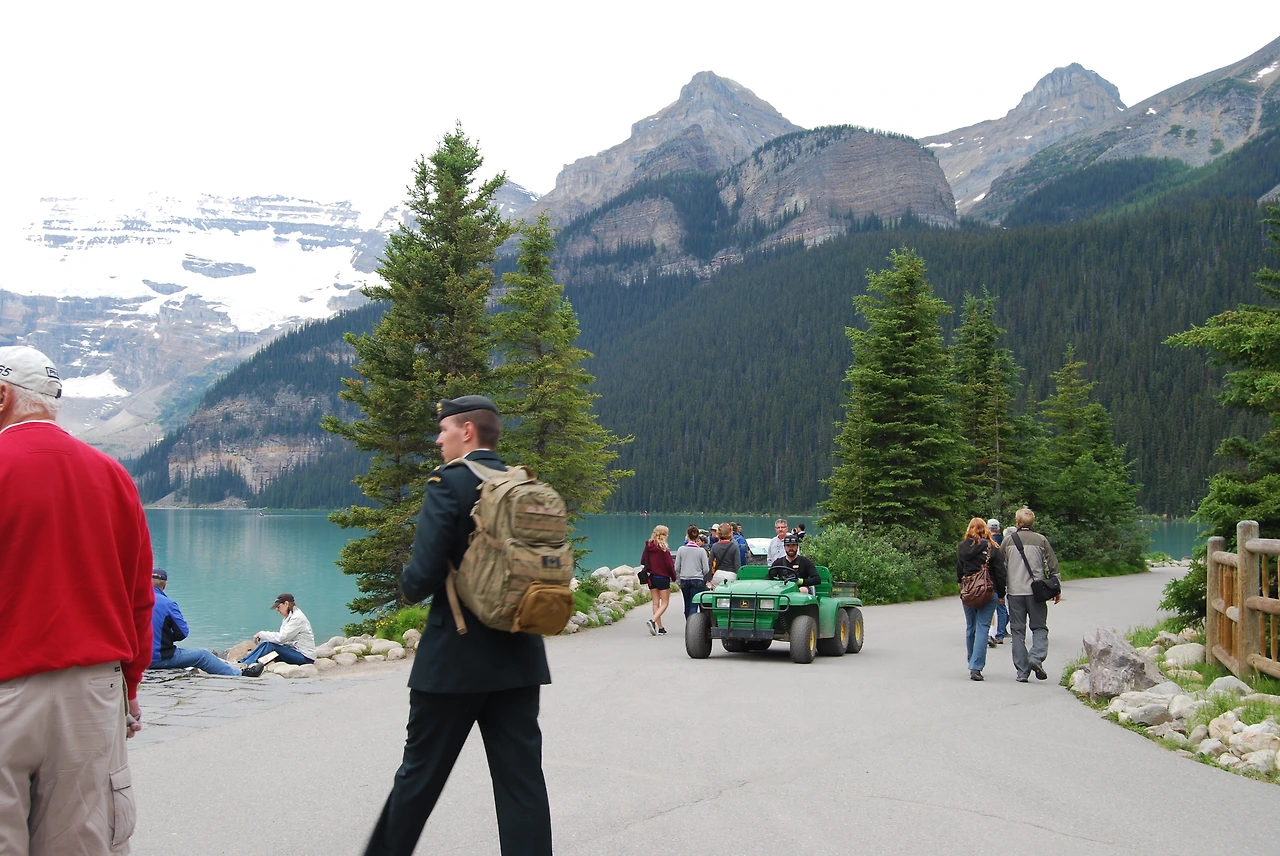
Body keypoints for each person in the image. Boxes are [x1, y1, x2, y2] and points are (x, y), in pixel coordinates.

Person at [363, 396, 552, 856]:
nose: (438, 439)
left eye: (444, 429)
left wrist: (407, 586)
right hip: (520, 657)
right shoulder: (523, 483)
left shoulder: (449, 483)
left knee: (419, 777)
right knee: (522, 783)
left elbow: (422, 575)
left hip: (455, 661)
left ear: (467, 431)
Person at [0, 345, 153, 855]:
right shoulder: (112, 475)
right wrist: (130, 687)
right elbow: (138, 598)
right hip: (92, 694)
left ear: (2, 396)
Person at [150, 569, 262, 677]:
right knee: (203, 655)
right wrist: (166, 636)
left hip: (139, 660)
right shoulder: (168, 604)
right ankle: (240, 674)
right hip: (157, 659)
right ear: (164, 586)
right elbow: (182, 633)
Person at [1001, 506, 1061, 683]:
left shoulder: (1008, 541)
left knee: (1017, 631)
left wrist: (1000, 589)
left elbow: (1000, 566)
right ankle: (1036, 657)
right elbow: (1053, 566)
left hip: (1014, 592)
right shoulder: (1041, 540)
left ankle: (1022, 671)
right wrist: (1057, 588)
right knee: (1039, 627)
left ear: (1017, 522)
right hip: (1036, 592)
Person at [956, 518, 1007, 681]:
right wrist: (1001, 594)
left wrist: (961, 584)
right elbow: (1000, 573)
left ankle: (971, 659)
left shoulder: (962, 547)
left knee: (970, 627)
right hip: (988, 591)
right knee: (983, 627)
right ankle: (976, 667)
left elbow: (959, 569)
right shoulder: (992, 547)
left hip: (969, 591)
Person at [239, 593, 316, 666]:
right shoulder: (289, 617)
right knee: (266, 644)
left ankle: (246, 664)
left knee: (270, 646)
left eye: (278, 607)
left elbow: (281, 638)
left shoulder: (297, 618)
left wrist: (261, 634)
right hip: (295, 651)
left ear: (286, 604)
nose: (277, 610)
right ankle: (243, 661)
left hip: (305, 657)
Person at [641, 525, 676, 636]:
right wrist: (674, 577)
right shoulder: (664, 548)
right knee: (665, 603)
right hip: (662, 578)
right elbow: (669, 565)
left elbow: (643, 560)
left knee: (656, 603)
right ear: (665, 535)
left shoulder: (648, 545)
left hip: (651, 577)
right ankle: (652, 621)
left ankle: (660, 628)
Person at [676, 525, 710, 618]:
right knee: (693, 605)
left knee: (686, 604)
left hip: (684, 579)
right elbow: (706, 569)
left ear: (687, 535)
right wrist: (700, 574)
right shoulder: (701, 551)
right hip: (697, 580)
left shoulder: (681, 549)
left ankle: (688, 623)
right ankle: (692, 625)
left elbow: (677, 568)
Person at [985, 518, 1009, 647]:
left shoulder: (985, 543)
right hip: (999, 579)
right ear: (998, 529)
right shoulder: (1004, 541)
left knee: (987, 609)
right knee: (1001, 607)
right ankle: (1000, 633)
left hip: (985, 581)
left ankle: (989, 633)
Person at [709, 522, 742, 588]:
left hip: (718, 575)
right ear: (730, 533)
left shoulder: (715, 546)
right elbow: (737, 565)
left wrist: (709, 578)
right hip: (731, 575)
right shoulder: (735, 546)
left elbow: (710, 563)